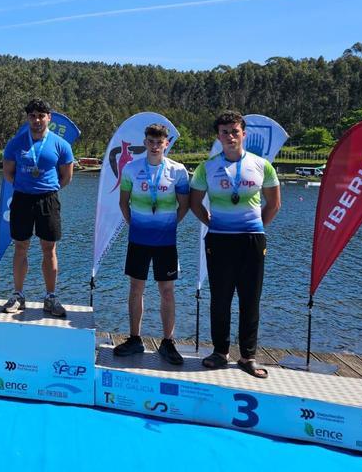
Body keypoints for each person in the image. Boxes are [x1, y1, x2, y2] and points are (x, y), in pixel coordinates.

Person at [190, 110, 281, 378]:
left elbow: (274, 204)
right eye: (224, 132)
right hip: (219, 239)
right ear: (218, 136)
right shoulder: (206, 167)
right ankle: (220, 352)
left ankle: (247, 356)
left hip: (252, 239)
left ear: (244, 133)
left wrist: (255, 227)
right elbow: (195, 203)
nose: (230, 136)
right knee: (220, 299)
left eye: (235, 131)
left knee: (250, 299)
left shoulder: (261, 165)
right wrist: (213, 223)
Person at [113, 123, 190, 365]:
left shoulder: (178, 171)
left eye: (160, 142)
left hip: (166, 242)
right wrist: (135, 224)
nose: (155, 146)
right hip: (139, 240)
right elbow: (123, 203)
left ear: (166, 144)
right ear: (145, 143)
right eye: (151, 141)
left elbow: (185, 205)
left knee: (167, 291)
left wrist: (169, 225)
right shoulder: (131, 169)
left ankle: (168, 343)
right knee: (136, 288)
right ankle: (135, 338)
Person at [0, 99, 74, 317]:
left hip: (48, 200)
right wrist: (26, 187)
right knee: (20, 247)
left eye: (41, 116)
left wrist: (47, 188)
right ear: (28, 118)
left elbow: (66, 176)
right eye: (32, 116)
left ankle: (50, 297)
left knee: (49, 249)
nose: (37, 120)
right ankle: (18, 295)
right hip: (22, 199)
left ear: (49, 118)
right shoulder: (16, 143)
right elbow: (8, 173)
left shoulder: (61, 145)